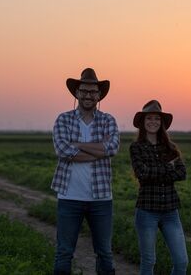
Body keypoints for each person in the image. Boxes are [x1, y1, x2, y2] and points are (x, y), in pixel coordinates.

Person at [51, 67, 120, 275]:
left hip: (101, 199)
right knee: (64, 252)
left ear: (99, 95)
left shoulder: (108, 120)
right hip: (69, 197)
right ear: (77, 93)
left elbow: (113, 148)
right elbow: (62, 150)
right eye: (84, 91)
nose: (88, 95)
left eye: (93, 91)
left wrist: (77, 145)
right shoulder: (63, 119)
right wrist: (99, 149)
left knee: (105, 253)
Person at [129, 100, 188, 275]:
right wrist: (167, 167)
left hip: (171, 212)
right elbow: (142, 174)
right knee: (148, 261)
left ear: (161, 122)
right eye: (149, 118)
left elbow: (182, 173)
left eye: (156, 118)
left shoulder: (170, 148)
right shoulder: (136, 147)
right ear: (143, 122)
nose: (153, 121)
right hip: (147, 211)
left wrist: (155, 171)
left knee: (181, 262)